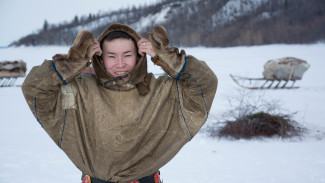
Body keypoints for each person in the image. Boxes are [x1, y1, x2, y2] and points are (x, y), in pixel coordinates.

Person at [22, 23, 218, 183]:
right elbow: (34, 88)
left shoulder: (161, 91)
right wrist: (73, 62)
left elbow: (204, 83)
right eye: (111, 56)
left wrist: (167, 58)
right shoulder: (79, 91)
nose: (120, 64)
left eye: (127, 55)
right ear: (100, 58)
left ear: (140, 55)